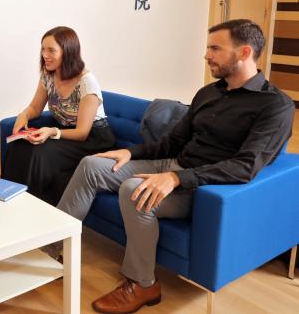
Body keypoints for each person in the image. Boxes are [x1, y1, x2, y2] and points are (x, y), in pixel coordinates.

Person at [57, 19, 295, 314]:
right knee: (93, 164)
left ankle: (143, 284)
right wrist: (131, 153)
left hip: (207, 185)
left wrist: (177, 178)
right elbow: (174, 141)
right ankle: (57, 248)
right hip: (175, 165)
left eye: (215, 48)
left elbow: (245, 167)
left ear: (244, 52)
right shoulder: (208, 93)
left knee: (136, 190)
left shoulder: (275, 106)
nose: (206, 55)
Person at [1, 26, 116, 205]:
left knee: (39, 154)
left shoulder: (86, 83)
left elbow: (82, 132)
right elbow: (35, 107)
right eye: (43, 49)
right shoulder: (48, 75)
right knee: (19, 147)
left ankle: (33, 208)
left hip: (93, 139)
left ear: (67, 52)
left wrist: (52, 132)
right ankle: (7, 201)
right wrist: (23, 115)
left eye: (51, 50)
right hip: (64, 133)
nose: (45, 55)